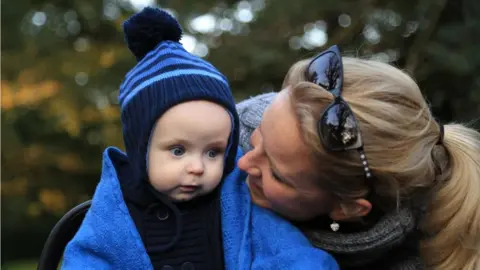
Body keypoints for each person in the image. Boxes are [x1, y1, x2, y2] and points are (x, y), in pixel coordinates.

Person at [61, 7, 339, 270]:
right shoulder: (115, 205)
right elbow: (89, 259)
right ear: (140, 148)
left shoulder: (238, 196)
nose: (197, 167)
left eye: (213, 152)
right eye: (179, 151)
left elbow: (285, 251)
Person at [236, 45, 480, 269]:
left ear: (347, 208)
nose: (243, 162)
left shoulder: (405, 260)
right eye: (260, 135)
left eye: (277, 176)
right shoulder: (228, 126)